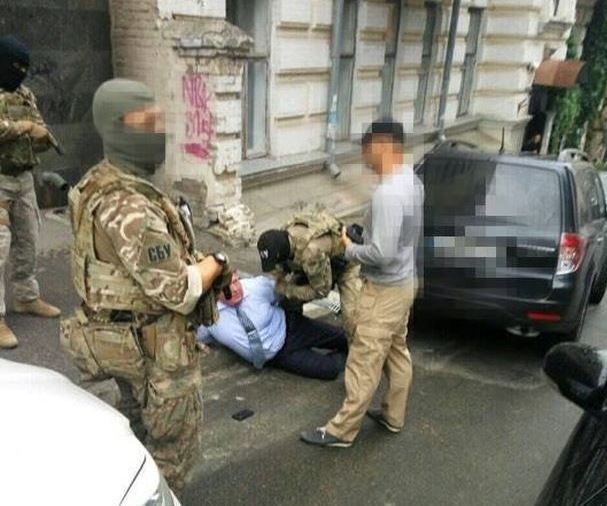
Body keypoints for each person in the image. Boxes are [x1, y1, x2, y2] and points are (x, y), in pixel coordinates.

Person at [60, 78, 231, 494]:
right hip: (156, 351)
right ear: (116, 126)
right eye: (147, 122)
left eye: (159, 120)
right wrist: (218, 263)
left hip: (119, 340)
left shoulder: (97, 181)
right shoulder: (131, 208)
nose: (159, 132)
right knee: (173, 450)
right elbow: (179, 291)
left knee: (135, 430)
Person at [300, 118, 423, 447]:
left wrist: (349, 248)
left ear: (381, 146)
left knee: (363, 360)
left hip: (384, 290)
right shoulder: (412, 181)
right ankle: (393, 415)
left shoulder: (388, 193)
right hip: (405, 283)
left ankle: (341, 431)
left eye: (366, 149)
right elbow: (399, 239)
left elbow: (381, 253)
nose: (364, 157)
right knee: (396, 352)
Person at [0, 36, 61, 349]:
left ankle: (26, 297)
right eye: (14, 66)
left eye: (24, 68)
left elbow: (39, 126)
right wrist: (24, 128)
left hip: (22, 178)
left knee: (29, 238)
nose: (20, 73)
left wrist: (40, 136)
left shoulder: (24, 94)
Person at [198, 272, 348, 380]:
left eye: (235, 281)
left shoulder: (256, 286)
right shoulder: (211, 317)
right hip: (280, 355)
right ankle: (349, 360)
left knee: (344, 338)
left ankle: (357, 355)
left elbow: (285, 294)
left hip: (291, 327)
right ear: (215, 293)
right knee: (329, 370)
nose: (235, 289)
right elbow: (193, 333)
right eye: (226, 289)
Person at [257, 208, 361, 340]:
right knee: (289, 303)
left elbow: (321, 291)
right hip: (317, 264)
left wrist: (288, 289)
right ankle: (295, 333)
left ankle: (357, 349)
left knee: (353, 320)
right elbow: (281, 267)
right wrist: (280, 274)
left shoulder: (310, 252)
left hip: (346, 265)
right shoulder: (283, 236)